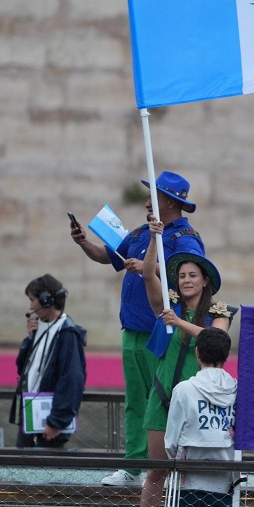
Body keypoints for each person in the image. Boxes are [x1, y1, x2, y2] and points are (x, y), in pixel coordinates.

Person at [71, 170, 204, 486]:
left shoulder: (185, 238)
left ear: (170, 202)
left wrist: (149, 267)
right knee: (135, 399)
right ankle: (133, 466)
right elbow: (107, 256)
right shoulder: (140, 233)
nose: (147, 202)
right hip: (130, 328)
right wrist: (83, 242)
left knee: (163, 398)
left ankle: (168, 467)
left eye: (154, 197)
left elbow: (193, 271)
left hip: (161, 330)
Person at [121, 226, 234, 507]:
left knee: (196, 477)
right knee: (156, 469)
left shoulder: (219, 312)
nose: (186, 280)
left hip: (199, 403)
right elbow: (148, 279)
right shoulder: (168, 304)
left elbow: (216, 340)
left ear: (204, 280)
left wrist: (180, 323)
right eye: (182, 275)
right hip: (163, 396)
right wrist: (155, 240)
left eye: (192, 275)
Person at [164, 327, 237, 507]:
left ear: (197, 353)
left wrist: (173, 457)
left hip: (189, 478)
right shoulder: (237, 390)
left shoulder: (184, 389)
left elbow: (171, 438)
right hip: (224, 478)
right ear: (226, 356)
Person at [10, 275, 86, 449]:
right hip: (31, 419)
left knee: (44, 474)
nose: (30, 306)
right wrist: (29, 340)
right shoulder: (40, 327)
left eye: (32, 300)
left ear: (46, 300)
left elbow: (71, 379)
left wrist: (56, 422)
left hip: (49, 424)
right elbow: (22, 368)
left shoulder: (67, 333)